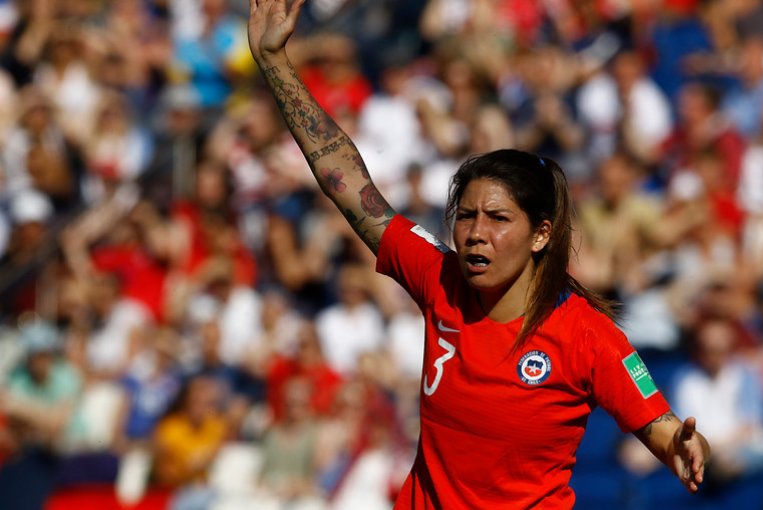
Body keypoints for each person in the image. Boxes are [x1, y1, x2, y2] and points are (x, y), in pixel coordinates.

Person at [247, 1, 711, 508]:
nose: (475, 233)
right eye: (466, 216)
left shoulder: (588, 336)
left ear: (541, 235)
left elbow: (663, 427)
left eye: (498, 218)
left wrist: (686, 446)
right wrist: (274, 61)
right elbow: (347, 180)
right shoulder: (437, 275)